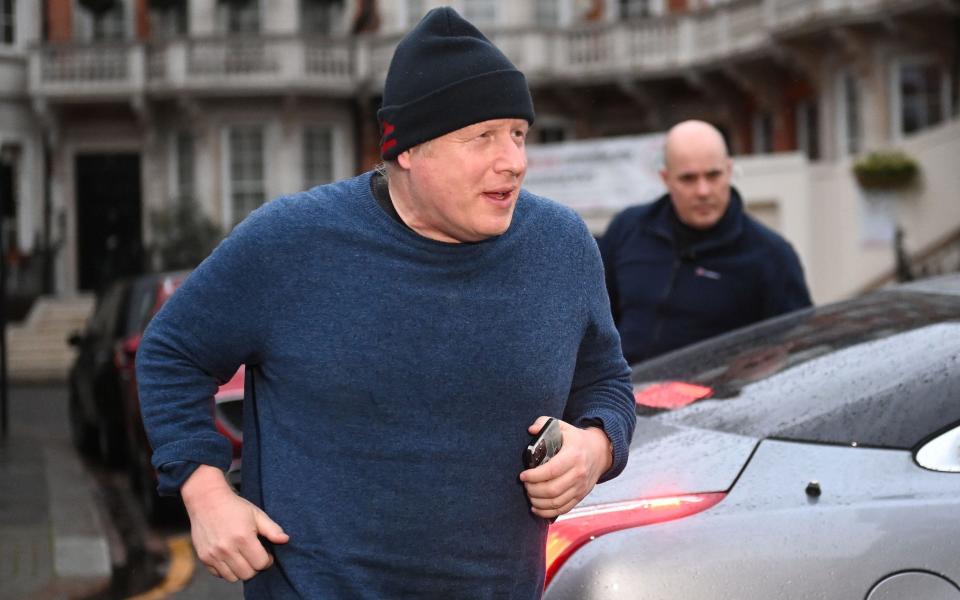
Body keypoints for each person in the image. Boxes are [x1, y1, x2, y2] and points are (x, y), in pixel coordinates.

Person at [136, 7, 636, 599]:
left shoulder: (562, 245)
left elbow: (606, 380)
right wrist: (205, 491)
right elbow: (171, 353)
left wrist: (596, 447)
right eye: (482, 137)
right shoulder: (292, 242)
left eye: (518, 133)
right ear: (408, 150)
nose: (515, 161)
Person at [598, 120, 812, 365]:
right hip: (626, 397)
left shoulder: (772, 256)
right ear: (666, 178)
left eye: (713, 175)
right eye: (688, 179)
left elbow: (797, 350)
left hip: (723, 401)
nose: (703, 190)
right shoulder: (628, 229)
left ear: (729, 170)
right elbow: (596, 323)